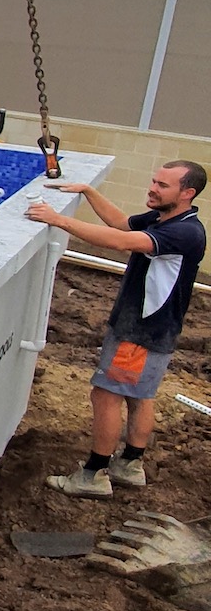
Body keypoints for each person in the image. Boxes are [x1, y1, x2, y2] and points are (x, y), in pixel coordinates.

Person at [27, 161, 206, 498]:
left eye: (162, 185)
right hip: (155, 330)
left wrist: (59, 220)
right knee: (140, 395)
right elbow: (121, 223)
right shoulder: (165, 218)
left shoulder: (184, 232)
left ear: (187, 193)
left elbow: (120, 241)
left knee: (107, 394)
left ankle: (94, 474)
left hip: (140, 332)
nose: (152, 188)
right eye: (154, 180)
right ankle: (131, 465)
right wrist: (89, 192)